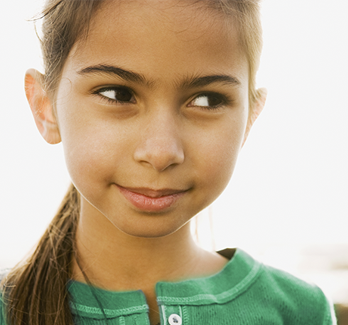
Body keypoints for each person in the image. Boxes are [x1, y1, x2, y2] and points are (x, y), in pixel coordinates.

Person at [0, 0, 337, 324]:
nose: (161, 152)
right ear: (45, 106)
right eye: (118, 94)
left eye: (207, 100)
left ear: (250, 118)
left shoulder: (300, 312)